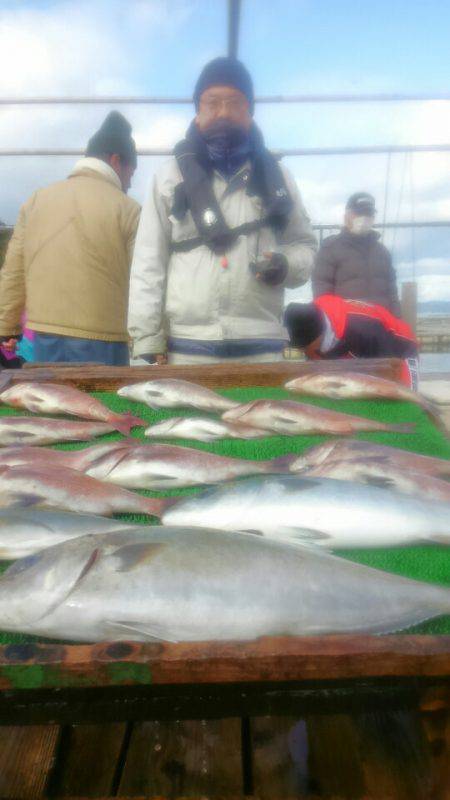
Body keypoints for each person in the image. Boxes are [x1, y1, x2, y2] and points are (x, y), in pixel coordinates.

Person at [128, 57, 317, 365]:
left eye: (235, 103)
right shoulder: (168, 176)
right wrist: (148, 339)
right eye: (213, 103)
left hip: (263, 347)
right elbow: (148, 262)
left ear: (250, 112)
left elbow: (305, 246)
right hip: (187, 349)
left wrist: (286, 265)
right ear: (197, 112)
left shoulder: (280, 177)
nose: (224, 113)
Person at [0, 112, 140, 365]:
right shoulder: (128, 209)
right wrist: (149, 339)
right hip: (105, 342)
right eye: (131, 172)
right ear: (116, 160)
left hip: (42, 339)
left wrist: (7, 326)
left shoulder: (36, 201)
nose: (130, 182)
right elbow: (142, 280)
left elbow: (14, 270)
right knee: (101, 405)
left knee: (51, 402)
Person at [284, 294, 419, 388]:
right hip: (355, 348)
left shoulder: (364, 331)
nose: (303, 351)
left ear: (319, 335)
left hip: (400, 348)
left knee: (402, 400)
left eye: (304, 346)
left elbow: (387, 370)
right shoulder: (309, 319)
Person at [312, 192, 401, 315]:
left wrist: (397, 323)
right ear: (346, 215)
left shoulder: (383, 252)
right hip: (345, 328)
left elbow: (393, 295)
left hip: (381, 327)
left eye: (368, 213)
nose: (364, 218)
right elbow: (322, 295)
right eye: (359, 213)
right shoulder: (330, 249)